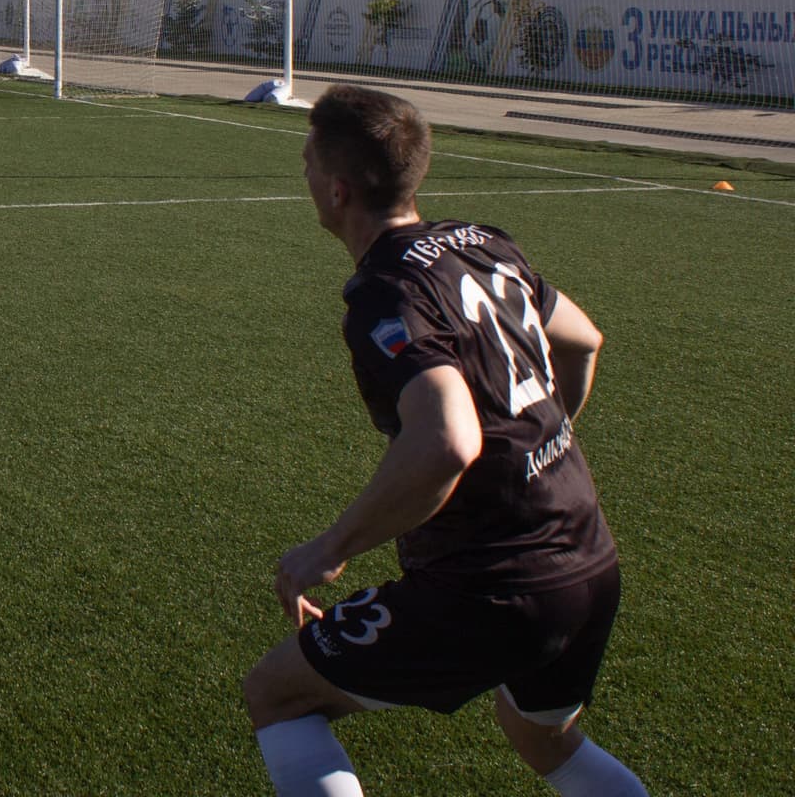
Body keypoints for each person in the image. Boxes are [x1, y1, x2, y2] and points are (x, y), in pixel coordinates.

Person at [243, 85, 644, 797]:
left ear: (337, 190)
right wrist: (540, 450)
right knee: (540, 734)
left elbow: (447, 440)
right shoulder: (483, 242)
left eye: (306, 163)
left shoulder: (383, 294)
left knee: (278, 694)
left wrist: (327, 550)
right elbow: (584, 341)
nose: (303, 176)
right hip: (587, 560)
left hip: (495, 587)